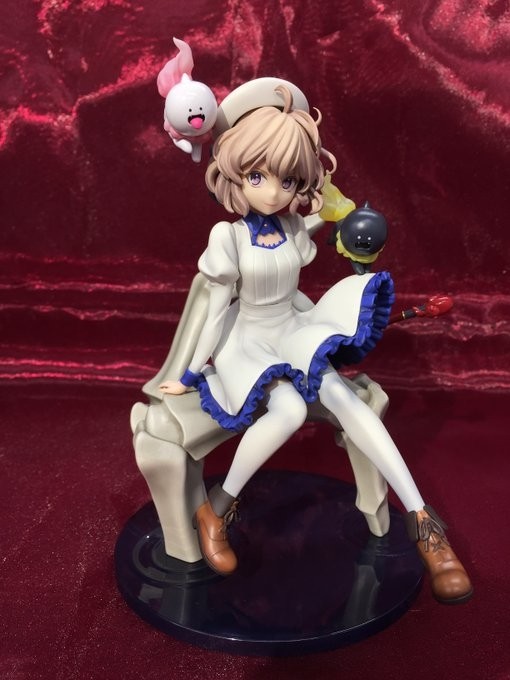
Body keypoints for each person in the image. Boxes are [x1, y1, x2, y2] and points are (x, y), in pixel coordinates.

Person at [160, 80, 472, 604]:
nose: (273, 192)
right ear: (234, 172)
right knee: (286, 412)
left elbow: (321, 225)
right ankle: (218, 507)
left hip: (291, 327)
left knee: (349, 403)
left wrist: (347, 229)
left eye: (287, 179)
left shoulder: (292, 226)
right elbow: (214, 313)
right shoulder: (227, 237)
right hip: (246, 337)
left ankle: (425, 526)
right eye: (257, 176)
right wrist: (189, 372)